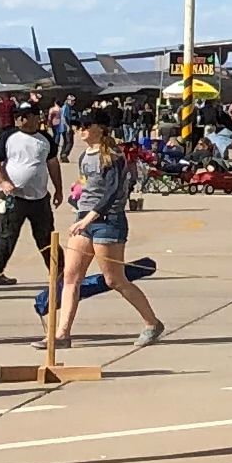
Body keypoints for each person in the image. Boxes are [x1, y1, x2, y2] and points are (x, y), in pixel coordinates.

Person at [52, 119, 167, 349]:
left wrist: (89, 217)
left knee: (114, 278)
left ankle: (152, 323)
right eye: (79, 126)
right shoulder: (85, 156)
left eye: (86, 125)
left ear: (100, 128)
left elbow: (113, 192)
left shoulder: (112, 156)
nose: (81, 130)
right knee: (71, 277)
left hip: (108, 222)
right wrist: (76, 198)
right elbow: (87, 185)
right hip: (84, 220)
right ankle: (62, 334)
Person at [0, 99, 54, 285]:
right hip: (13, 198)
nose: (20, 119)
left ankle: (59, 273)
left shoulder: (45, 139)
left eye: (25, 116)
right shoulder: (8, 136)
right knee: (5, 236)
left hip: (39, 198)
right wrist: (3, 182)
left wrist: (59, 190)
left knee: (47, 237)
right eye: (19, 116)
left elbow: (53, 165)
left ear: (36, 118)